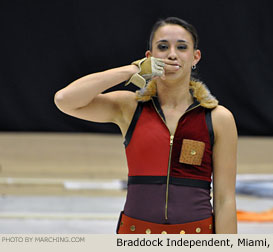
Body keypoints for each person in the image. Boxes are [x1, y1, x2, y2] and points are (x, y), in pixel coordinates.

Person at [54, 17, 237, 234]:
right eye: (162, 47)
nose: (171, 54)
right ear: (149, 57)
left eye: (181, 47)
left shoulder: (218, 118)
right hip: (136, 236)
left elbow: (225, 199)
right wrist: (132, 70)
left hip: (195, 237)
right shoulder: (129, 107)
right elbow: (65, 100)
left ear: (195, 57)